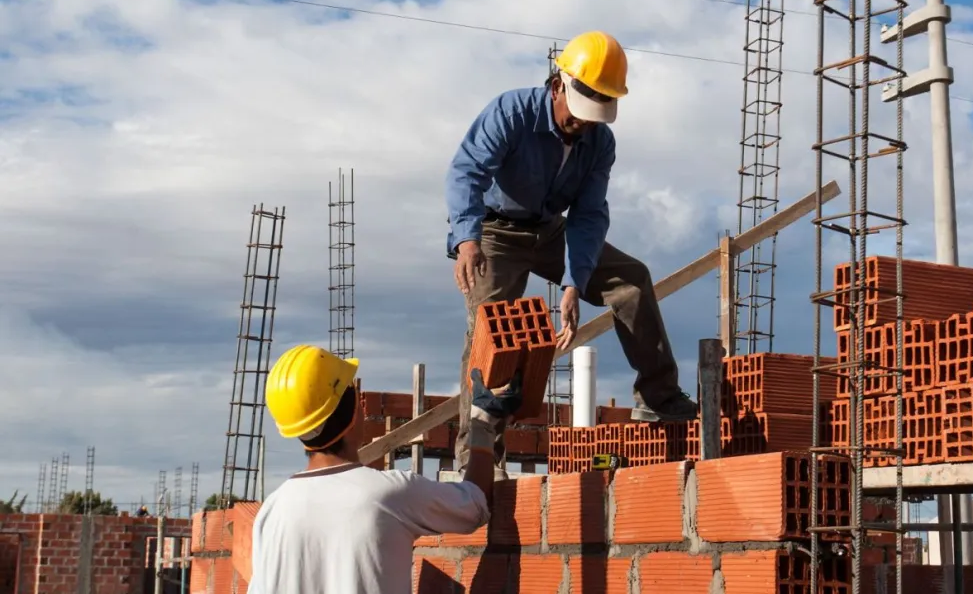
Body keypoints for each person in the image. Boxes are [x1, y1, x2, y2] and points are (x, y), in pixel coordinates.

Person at [444, 30, 699, 473]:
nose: (584, 122)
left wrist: (572, 284)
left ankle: (658, 397)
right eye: (581, 111)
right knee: (493, 331)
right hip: (495, 233)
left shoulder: (599, 143)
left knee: (630, 280)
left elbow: (588, 216)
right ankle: (478, 457)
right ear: (559, 84)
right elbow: (466, 173)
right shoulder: (511, 112)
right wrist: (467, 240)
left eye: (596, 113)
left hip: (550, 229)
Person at [246, 344, 523, 594]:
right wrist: (483, 424)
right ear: (355, 409)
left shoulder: (272, 512)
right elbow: (474, 505)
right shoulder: (387, 495)